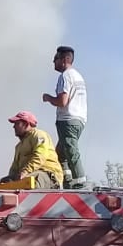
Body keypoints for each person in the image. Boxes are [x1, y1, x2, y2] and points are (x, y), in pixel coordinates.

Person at [42, 45, 87, 188]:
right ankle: (67, 181)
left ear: (64, 59)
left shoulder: (65, 76)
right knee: (61, 154)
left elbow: (62, 101)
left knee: (71, 150)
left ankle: (80, 182)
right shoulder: (78, 76)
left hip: (68, 120)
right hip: (79, 119)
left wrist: (48, 98)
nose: (53, 62)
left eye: (55, 59)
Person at [4, 110, 64, 188]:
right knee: (6, 182)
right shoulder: (19, 146)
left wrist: (25, 172)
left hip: (48, 174)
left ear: (26, 124)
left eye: (17, 123)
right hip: (30, 174)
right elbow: (14, 168)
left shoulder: (39, 135)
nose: (14, 126)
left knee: (30, 182)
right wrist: (8, 180)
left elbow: (40, 156)